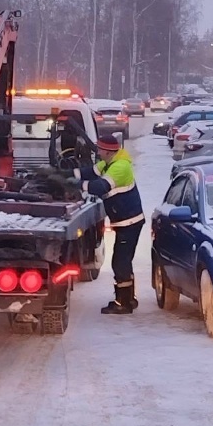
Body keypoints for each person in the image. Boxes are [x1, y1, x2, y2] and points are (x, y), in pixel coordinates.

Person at [72, 134, 145, 315]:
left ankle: (123, 303)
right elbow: (90, 172)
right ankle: (129, 299)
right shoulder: (109, 162)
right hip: (124, 221)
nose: (97, 152)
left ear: (107, 151)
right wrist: (66, 174)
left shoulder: (120, 167)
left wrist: (77, 185)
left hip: (129, 222)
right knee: (123, 260)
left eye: (99, 149)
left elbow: (100, 187)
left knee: (120, 262)